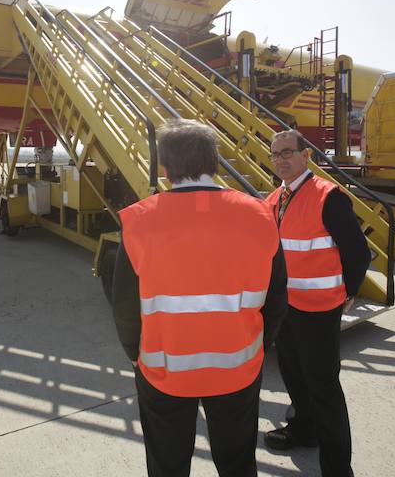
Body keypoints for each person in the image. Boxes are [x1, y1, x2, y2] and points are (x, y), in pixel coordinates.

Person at [112, 119, 288, 477]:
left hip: (165, 371)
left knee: (167, 462)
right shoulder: (261, 214)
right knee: (237, 461)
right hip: (238, 367)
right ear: (215, 162)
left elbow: (126, 306)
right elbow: (277, 297)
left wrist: (134, 353)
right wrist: (260, 344)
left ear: (164, 167)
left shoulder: (139, 221)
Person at [263, 130, 370, 477]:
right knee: (293, 376)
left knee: (323, 387)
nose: (281, 159)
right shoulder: (275, 199)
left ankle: (338, 468)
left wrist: (348, 292)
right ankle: (304, 430)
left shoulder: (328, 197)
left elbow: (358, 252)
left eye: (287, 152)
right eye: (274, 154)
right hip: (286, 309)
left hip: (318, 311)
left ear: (306, 155)